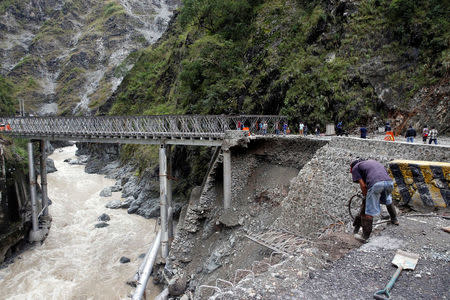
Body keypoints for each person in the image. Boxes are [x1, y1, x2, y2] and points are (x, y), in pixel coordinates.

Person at [350, 159, 399, 242]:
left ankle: (365, 236)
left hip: (376, 184)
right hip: (389, 183)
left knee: (369, 210)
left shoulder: (355, 167)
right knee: (388, 200)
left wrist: (366, 196)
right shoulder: (371, 162)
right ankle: (394, 219)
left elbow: (363, 185)